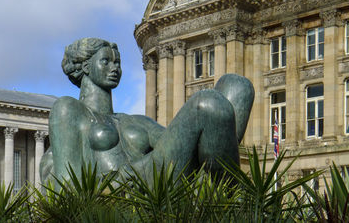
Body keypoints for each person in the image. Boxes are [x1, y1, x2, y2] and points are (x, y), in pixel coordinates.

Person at [40, 37, 254, 184]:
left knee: (238, 87)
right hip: (126, 188)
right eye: (106, 61)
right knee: (207, 105)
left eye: (118, 62)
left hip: (160, 177)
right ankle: (227, 199)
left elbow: (176, 144)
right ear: (85, 67)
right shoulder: (69, 109)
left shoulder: (135, 120)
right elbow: (66, 184)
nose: (115, 68)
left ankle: (217, 194)